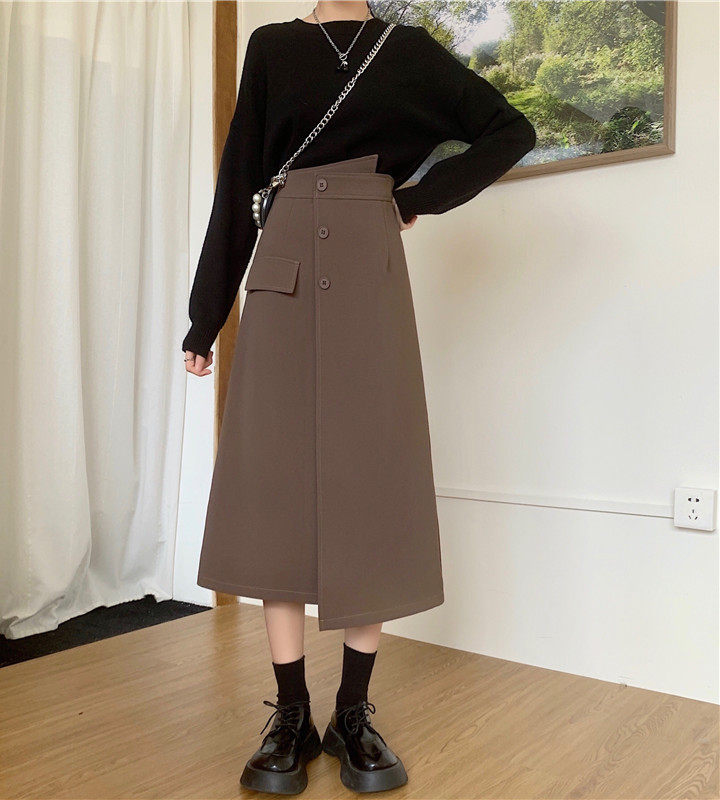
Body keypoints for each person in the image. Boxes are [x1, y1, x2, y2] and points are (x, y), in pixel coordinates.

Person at [182, 1, 536, 794]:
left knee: (370, 481)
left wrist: (417, 198)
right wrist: (206, 315)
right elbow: (240, 175)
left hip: (369, 268)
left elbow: (510, 129)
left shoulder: (408, 51)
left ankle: (352, 712)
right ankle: (291, 713)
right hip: (280, 264)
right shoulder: (272, 48)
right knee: (273, 487)